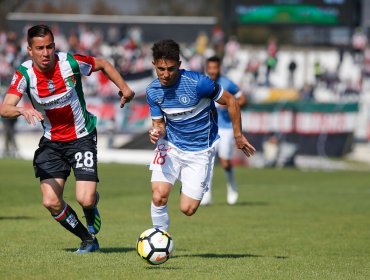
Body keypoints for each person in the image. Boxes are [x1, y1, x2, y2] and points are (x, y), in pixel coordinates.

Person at [0, 24, 135, 253]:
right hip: (52, 142)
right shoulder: (25, 73)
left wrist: (124, 88)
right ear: (29, 50)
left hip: (81, 137)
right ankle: (87, 239)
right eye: (40, 48)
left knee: (86, 198)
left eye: (50, 46)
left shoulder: (69, 63)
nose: (46, 53)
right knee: (51, 202)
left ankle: (91, 206)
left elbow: (102, 64)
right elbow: (5, 108)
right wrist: (23, 110)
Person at [146, 39, 255, 232]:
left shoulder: (199, 83)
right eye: (161, 69)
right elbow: (159, 124)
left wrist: (238, 135)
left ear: (179, 65)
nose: (165, 74)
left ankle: (186, 184)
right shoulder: (153, 91)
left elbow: (231, 101)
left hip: (200, 150)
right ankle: (159, 236)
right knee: (158, 196)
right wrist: (156, 132)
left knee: (188, 209)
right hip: (170, 145)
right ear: (154, 64)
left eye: (171, 68)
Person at [201, 55, 247, 206]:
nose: (213, 71)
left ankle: (231, 186)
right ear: (207, 68)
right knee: (207, 161)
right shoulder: (202, 82)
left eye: (215, 67)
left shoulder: (228, 83)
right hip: (208, 128)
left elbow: (243, 100)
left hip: (226, 128)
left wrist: (228, 104)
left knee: (225, 162)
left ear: (219, 68)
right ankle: (206, 195)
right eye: (210, 68)